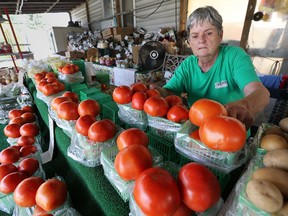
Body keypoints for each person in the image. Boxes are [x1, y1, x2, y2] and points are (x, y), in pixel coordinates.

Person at [150, 6, 270, 130]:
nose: (201, 40)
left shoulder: (234, 57)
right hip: (196, 135)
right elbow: (170, 92)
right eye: (195, 36)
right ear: (189, 41)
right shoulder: (187, 65)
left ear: (220, 35)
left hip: (230, 134)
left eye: (208, 33)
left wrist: (245, 105)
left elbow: (261, 93)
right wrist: (153, 91)